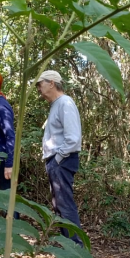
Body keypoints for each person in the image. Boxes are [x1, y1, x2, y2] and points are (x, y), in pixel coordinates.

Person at [38, 70, 83, 245]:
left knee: (65, 205)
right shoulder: (56, 104)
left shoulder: (65, 103)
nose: (39, 89)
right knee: (59, 206)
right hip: (57, 160)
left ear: (51, 83)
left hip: (62, 160)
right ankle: (68, 246)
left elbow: (73, 138)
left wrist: (57, 159)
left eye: (40, 84)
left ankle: (76, 248)